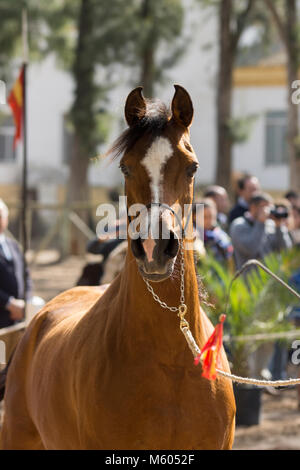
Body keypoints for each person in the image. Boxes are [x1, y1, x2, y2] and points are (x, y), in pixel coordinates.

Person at [230, 192, 293, 270]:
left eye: (270, 208)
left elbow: (286, 252)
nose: (268, 211)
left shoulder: (271, 225)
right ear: (253, 207)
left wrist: (279, 227)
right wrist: (260, 223)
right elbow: (251, 249)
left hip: (270, 278)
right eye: (264, 207)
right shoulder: (239, 225)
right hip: (248, 279)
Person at [0, 199, 32, 329]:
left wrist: (26, 301)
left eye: (0, 216)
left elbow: (26, 274)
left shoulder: (13, 245)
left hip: (19, 317)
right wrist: (9, 304)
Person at [198, 199, 233, 264]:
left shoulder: (220, 233)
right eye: (204, 217)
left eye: (211, 216)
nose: (209, 220)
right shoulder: (196, 236)